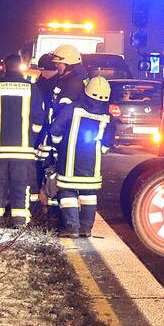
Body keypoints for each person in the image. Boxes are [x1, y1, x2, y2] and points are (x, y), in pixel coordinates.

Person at [0, 54, 47, 228]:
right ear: (21, 67)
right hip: (23, 151)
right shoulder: (32, 88)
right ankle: (19, 224)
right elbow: (39, 119)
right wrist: (31, 139)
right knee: (20, 187)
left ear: (4, 66)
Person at [50, 76, 115, 238]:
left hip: (69, 164)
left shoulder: (72, 109)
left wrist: (59, 146)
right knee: (89, 196)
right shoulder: (107, 117)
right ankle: (86, 229)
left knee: (67, 194)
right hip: (92, 167)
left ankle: (71, 228)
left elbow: (55, 131)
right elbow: (107, 143)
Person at [31, 53, 59, 206]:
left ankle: (45, 203)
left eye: (44, 70)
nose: (42, 73)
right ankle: (42, 204)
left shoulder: (45, 86)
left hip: (47, 135)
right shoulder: (43, 85)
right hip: (44, 136)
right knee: (42, 170)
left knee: (47, 170)